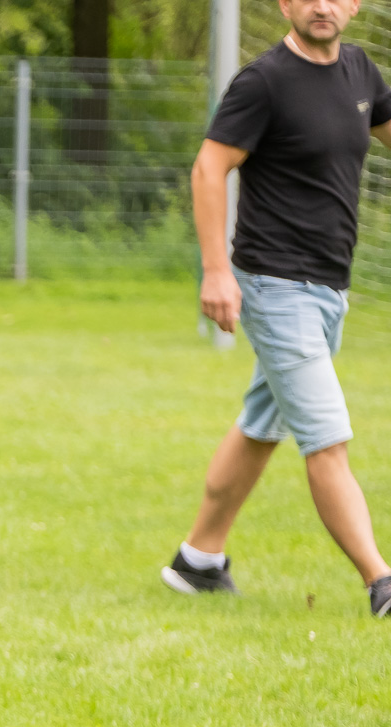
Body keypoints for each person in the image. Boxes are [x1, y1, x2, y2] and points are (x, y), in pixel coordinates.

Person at [165, 0, 391, 618]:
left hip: (329, 291)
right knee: (327, 438)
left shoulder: (361, 73)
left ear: (356, 5)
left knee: (261, 427)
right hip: (274, 287)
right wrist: (216, 270)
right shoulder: (264, 82)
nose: (322, 6)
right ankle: (381, 581)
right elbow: (209, 168)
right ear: (285, 4)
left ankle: (197, 560)